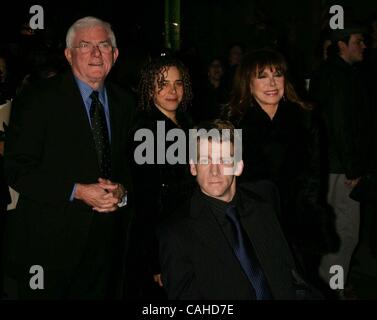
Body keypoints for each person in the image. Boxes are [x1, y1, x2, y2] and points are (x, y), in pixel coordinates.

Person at [3, 16, 134, 299]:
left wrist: (122, 191)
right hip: (50, 248)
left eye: (103, 45)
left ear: (115, 53)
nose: (96, 53)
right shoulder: (38, 98)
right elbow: (16, 168)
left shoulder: (126, 102)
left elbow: (130, 164)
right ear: (68, 54)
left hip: (108, 248)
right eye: (85, 45)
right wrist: (77, 191)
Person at [157, 119, 320, 300]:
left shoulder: (264, 209)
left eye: (224, 160)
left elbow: (293, 280)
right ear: (193, 167)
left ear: (238, 165)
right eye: (205, 161)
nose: (214, 171)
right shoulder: (176, 234)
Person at [223, 49, 329, 286]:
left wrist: (311, 220)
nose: (271, 83)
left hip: (297, 225)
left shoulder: (305, 120)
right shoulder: (233, 124)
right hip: (250, 224)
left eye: (277, 74)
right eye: (262, 76)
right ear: (248, 83)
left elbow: (314, 177)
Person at [125, 55, 194, 299]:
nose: (172, 90)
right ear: (149, 88)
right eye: (163, 83)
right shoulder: (145, 131)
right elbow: (146, 202)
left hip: (187, 234)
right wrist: (156, 261)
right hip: (162, 244)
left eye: (178, 83)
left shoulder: (187, 123)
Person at [309, 23, 368, 297]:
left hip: (331, 165)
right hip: (338, 167)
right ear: (342, 45)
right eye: (358, 41)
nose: (364, 46)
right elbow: (342, 124)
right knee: (345, 231)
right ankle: (332, 288)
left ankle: (331, 285)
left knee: (336, 230)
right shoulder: (338, 76)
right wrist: (352, 165)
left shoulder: (333, 74)